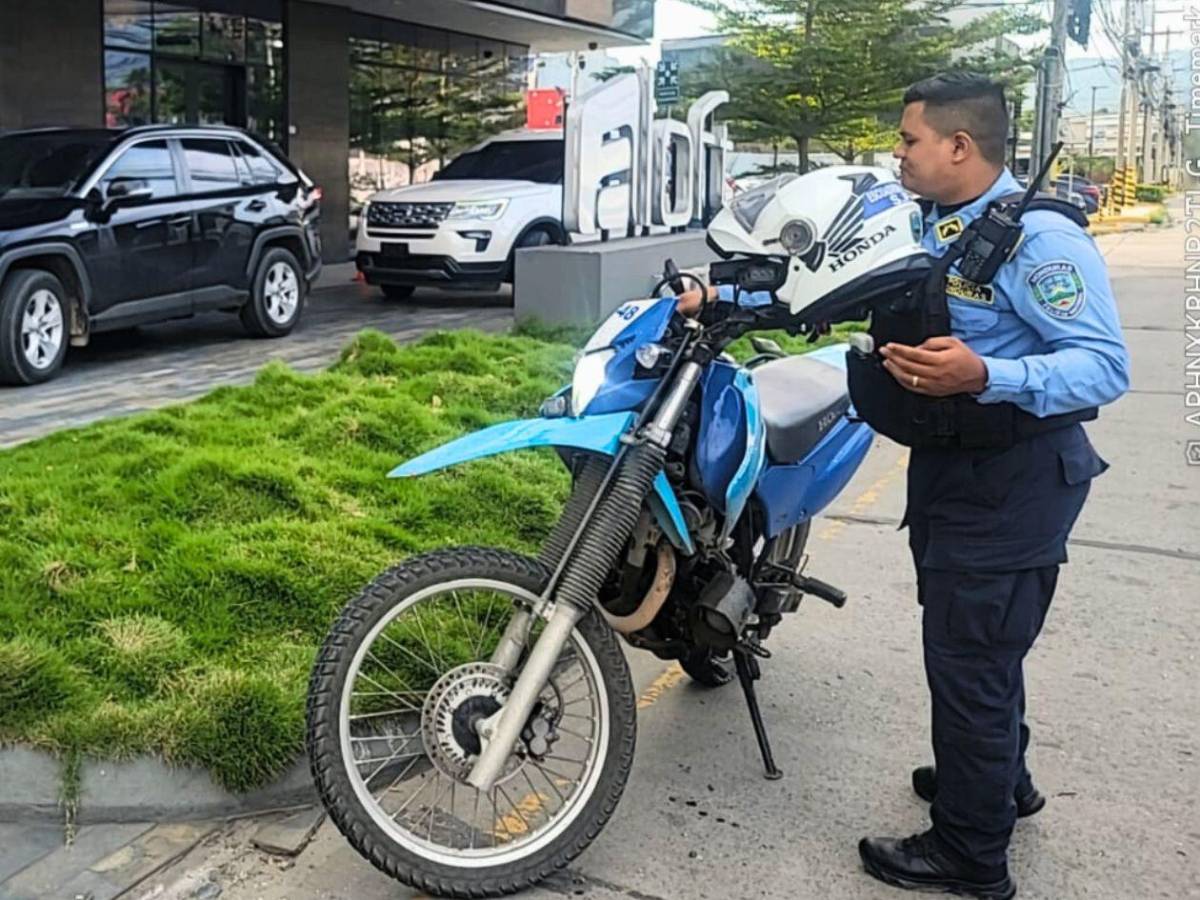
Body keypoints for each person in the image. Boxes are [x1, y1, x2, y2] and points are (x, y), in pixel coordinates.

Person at [679, 73, 1129, 900]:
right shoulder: (927, 223)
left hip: (1014, 481)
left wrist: (986, 372)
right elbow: (826, 282)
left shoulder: (1039, 241)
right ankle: (998, 783)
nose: (898, 152)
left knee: (970, 660)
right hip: (957, 472)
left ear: (959, 145)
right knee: (980, 653)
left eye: (909, 139)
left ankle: (970, 854)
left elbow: (1104, 365)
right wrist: (721, 294)